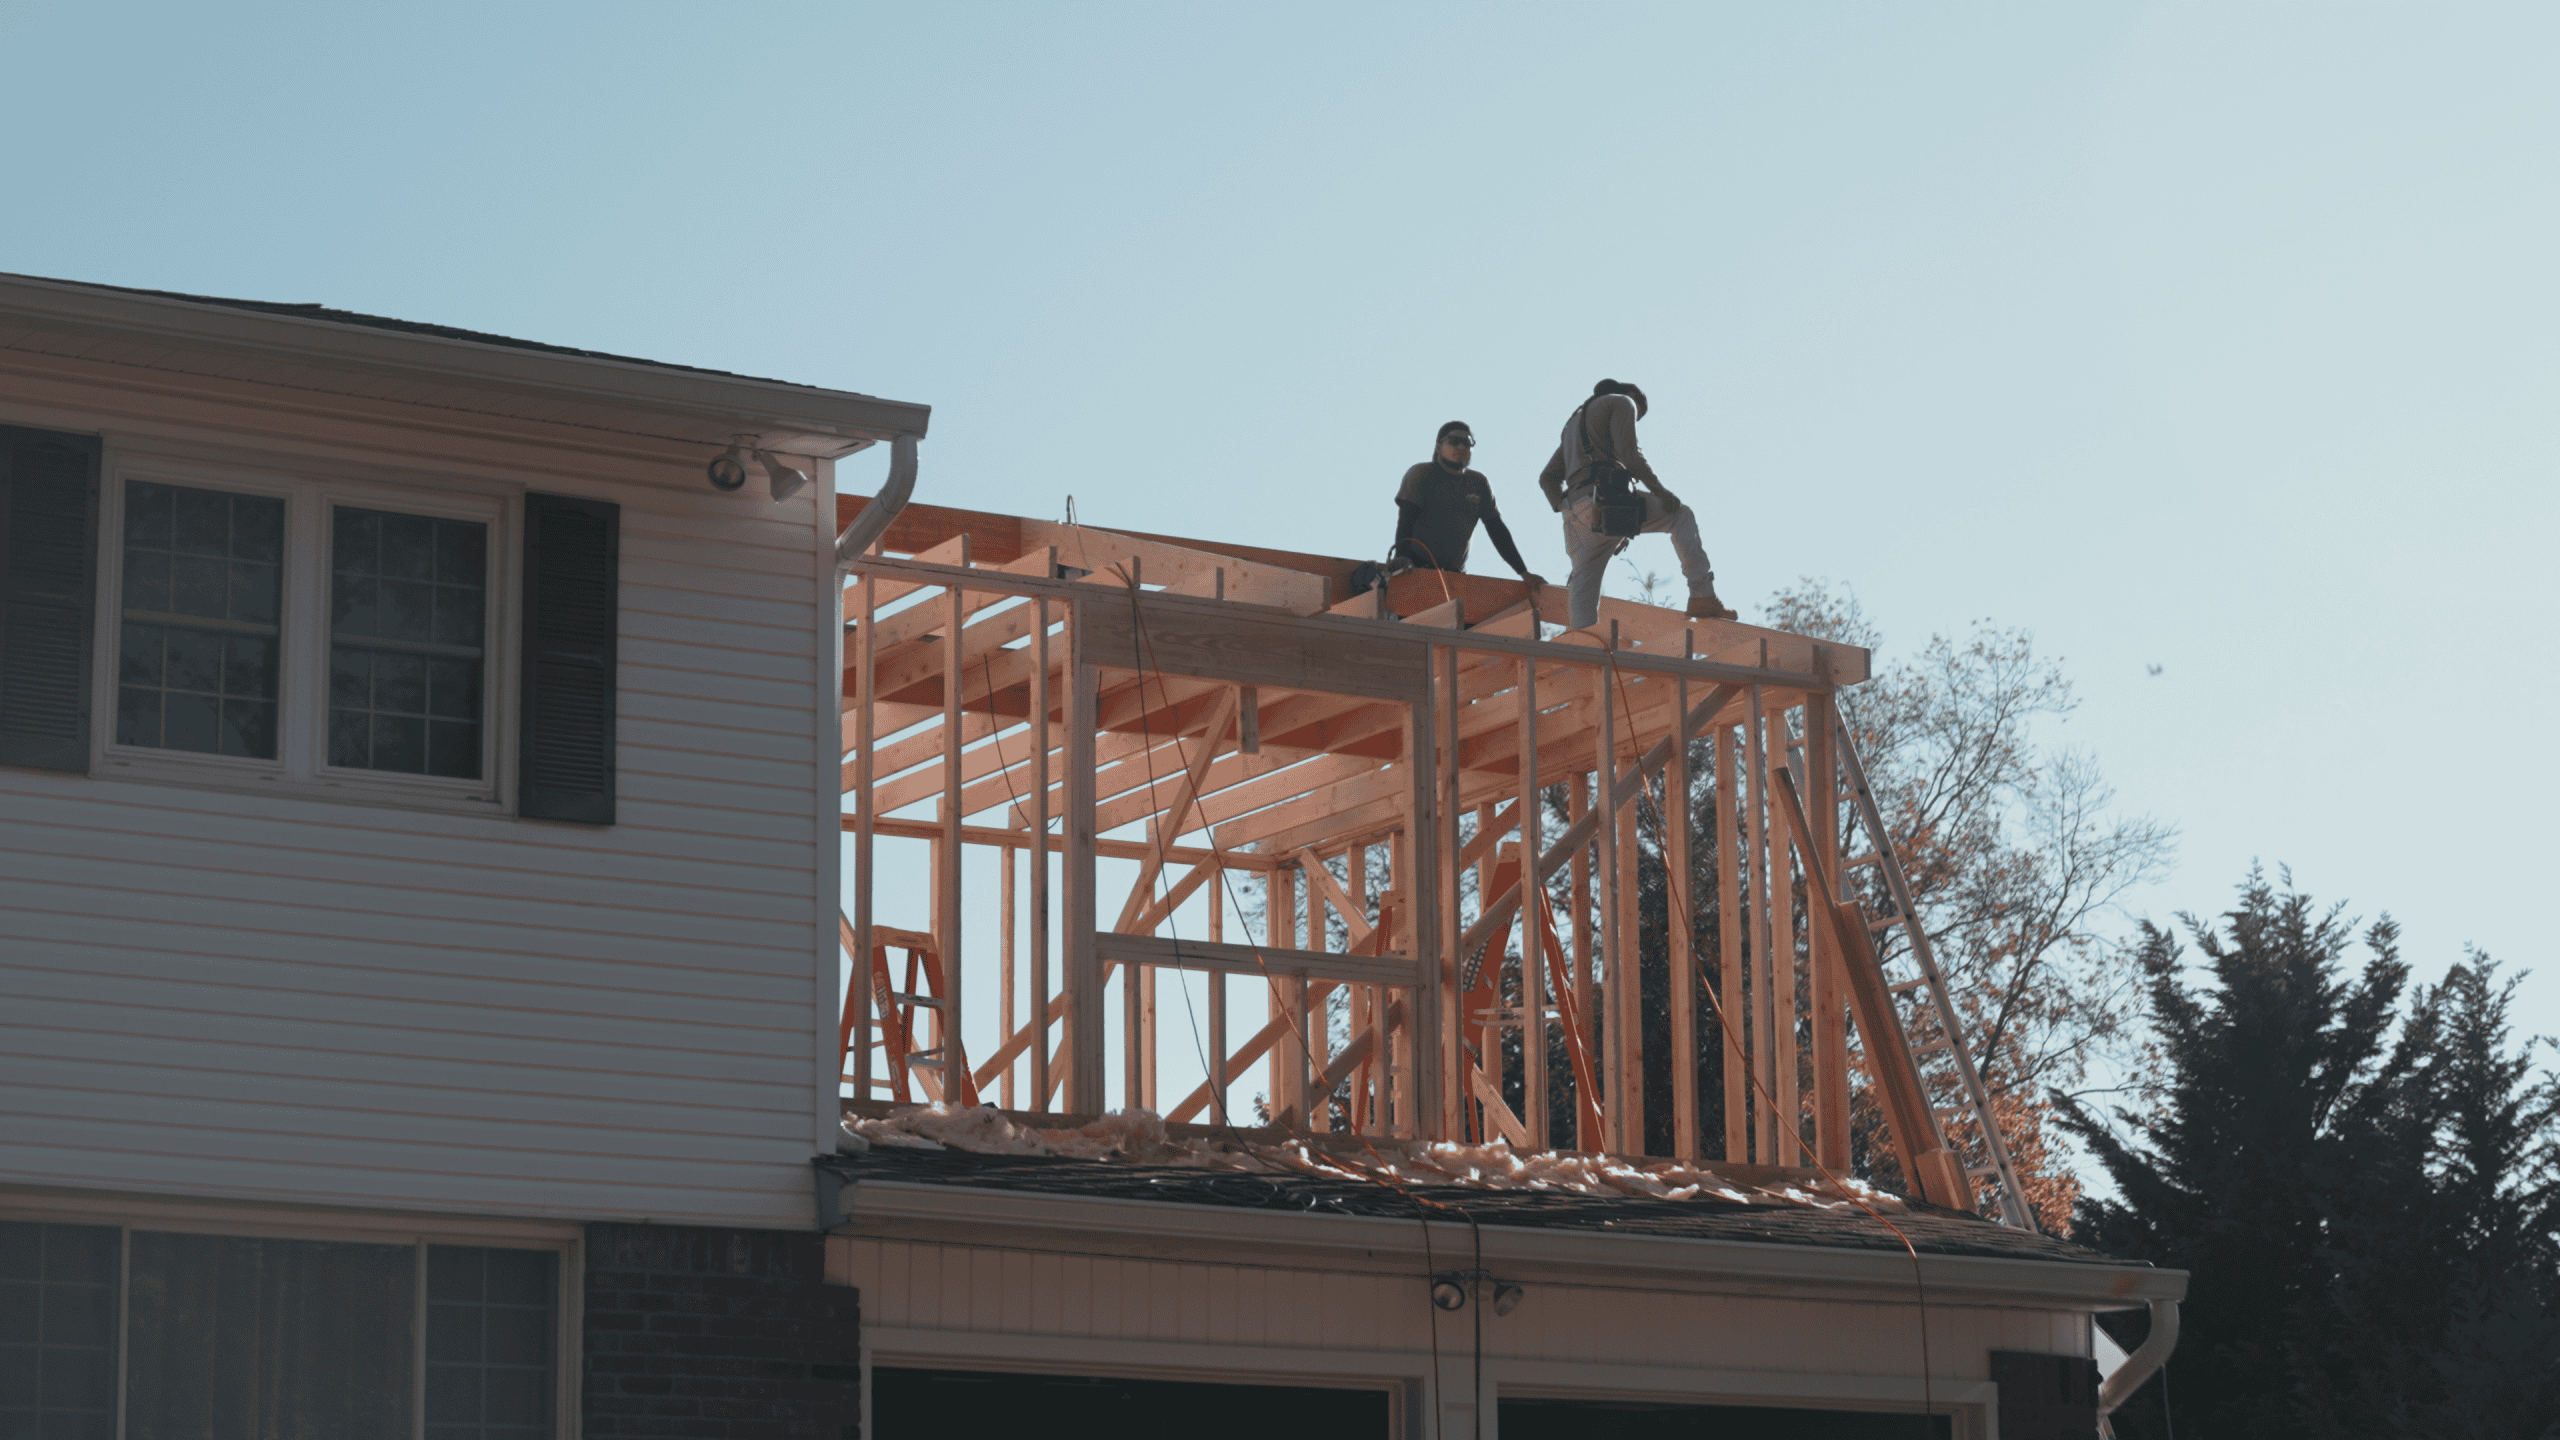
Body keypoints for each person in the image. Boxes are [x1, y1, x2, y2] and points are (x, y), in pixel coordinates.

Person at [1537, 379, 1733, 630]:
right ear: (1633, 399)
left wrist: (1565, 506)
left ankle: (1584, 645)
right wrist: (1661, 492)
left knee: (1584, 582)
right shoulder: (1623, 402)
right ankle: (1703, 595)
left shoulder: (1573, 424)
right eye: (1637, 417)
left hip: (1576, 511)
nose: (1633, 421)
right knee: (1681, 515)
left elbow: (1547, 478)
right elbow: (1630, 456)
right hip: (1605, 499)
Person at [1388, 421, 1547, 592]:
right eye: (1454, 441)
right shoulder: (1422, 474)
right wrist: (1401, 558)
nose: (1461, 446)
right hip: (1417, 568)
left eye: (1467, 443)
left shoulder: (1478, 483)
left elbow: (1497, 529)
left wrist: (1523, 572)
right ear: (1439, 446)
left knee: (1463, 615)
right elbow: (1406, 518)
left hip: (1454, 576)